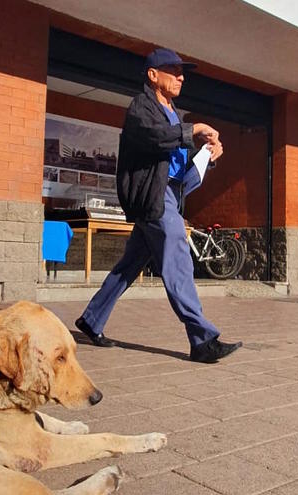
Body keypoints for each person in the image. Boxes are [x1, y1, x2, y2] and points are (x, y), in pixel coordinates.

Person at [74, 48, 242, 363]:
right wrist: (193, 129)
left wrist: (207, 156)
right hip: (153, 195)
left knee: (130, 265)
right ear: (153, 75)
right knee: (178, 255)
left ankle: (92, 319)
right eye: (173, 71)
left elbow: (176, 163)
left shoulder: (174, 113)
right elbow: (156, 137)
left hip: (171, 194)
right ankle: (202, 340)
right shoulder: (141, 107)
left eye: (182, 73)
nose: (181, 77)